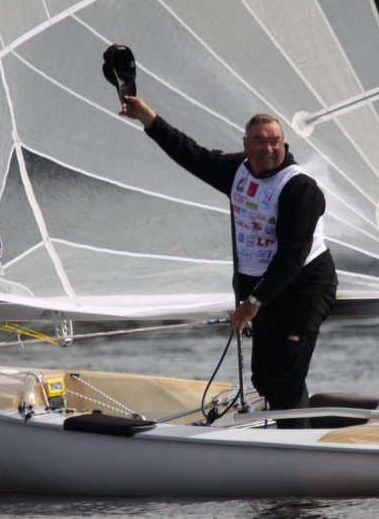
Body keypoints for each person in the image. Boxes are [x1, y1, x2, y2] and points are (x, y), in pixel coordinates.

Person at [121, 96, 337, 428]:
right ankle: (293, 434)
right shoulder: (237, 172)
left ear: (284, 145)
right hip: (264, 288)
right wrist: (149, 119)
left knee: (283, 374)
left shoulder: (299, 187)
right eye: (259, 141)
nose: (268, 148)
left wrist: (254, 302)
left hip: (304, 284)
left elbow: (292, 255)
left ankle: (298, 448)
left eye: (275, 141)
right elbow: (191, 154)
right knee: (263, 376)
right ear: (246, 145)